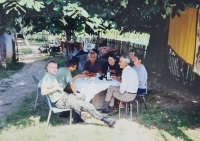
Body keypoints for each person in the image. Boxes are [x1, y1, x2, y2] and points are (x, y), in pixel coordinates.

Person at [40, 60, 116, 127]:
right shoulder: (48, 77)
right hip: (61, 101)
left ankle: (77, 118)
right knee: (88, 106)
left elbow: (41, 84)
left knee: (82, 95)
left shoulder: (51, 75)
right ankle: (107, 120)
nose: (54, 69)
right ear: (48, 68)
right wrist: (56, 88)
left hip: (63, 96)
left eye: (55, 67)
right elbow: (43, 92)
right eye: (52, 67)